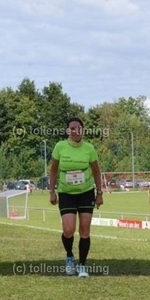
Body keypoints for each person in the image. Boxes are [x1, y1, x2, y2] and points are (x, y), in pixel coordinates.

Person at [49, 117, 103, 278]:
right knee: (69, 230)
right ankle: (69, 257)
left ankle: (82, 265)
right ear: (68, 131)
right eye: (72, 128)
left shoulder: (89, 148)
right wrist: (52, 191)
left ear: (82, 130)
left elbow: (96, 171)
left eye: (78, 128)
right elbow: (53, 170)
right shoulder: (60, 147)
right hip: (66, 193)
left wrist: (99, 193)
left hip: (86, 192)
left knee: (85, 230)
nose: (75, 131)